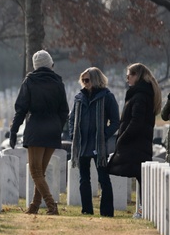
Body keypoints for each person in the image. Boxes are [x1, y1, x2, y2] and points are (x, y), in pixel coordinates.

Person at [8, 50, 69, 215]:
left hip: (36, 128)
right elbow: (64, 111)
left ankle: (51, 205)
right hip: (53, 131)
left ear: (35, 66)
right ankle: (34, 206)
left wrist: (13, 131)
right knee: (40, 172)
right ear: (50, 65)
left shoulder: (30, 81)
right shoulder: (58, 82)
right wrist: (57, 126)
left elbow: (21, 109)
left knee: (35, 171)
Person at [107, 63, 162, 217]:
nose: (127, 79)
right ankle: (142, 210)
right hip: (139, 144)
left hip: (133, 144)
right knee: (141, 179)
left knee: (109, 169)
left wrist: (122, 139)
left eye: (129, 75)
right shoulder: (143, 94)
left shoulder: (139, 96)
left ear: (137, 76)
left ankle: (141, 210)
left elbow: (136, 122)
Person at [68, 67, 120, 215]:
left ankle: (107, 211)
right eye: (83, 80)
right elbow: (72, 119)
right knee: (84, 179)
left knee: (103, 179)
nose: (84, 83)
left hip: (98, 144)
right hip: (83, 144)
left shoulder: (107, 97)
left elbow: (116, 121)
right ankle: (87, 210)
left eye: (87, 80)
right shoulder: (79, 97)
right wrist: (73, 135)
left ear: (96, 80)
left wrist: (104, 134)